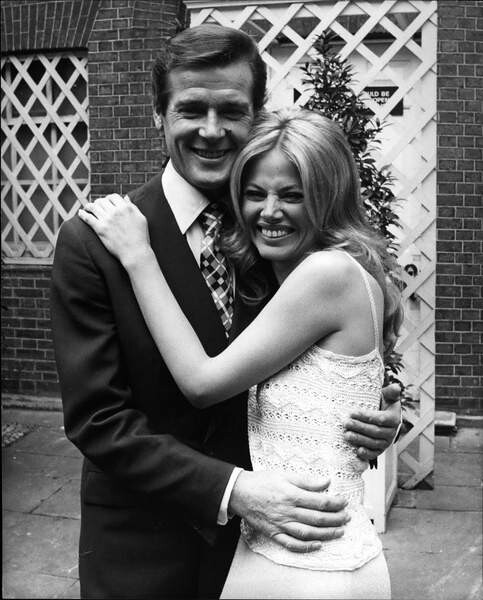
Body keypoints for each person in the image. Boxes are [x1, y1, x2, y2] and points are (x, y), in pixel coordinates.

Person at [51, 24, 401, 599]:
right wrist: (233, 490)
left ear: (255, 115)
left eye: (231, 111)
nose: (211, 131)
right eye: (191, 109)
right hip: (142, 550)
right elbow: (99, 420)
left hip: (277, 550)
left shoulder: (280, 230)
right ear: (159, 115)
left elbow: (333, 352)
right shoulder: (98, 242)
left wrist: (372, 412)